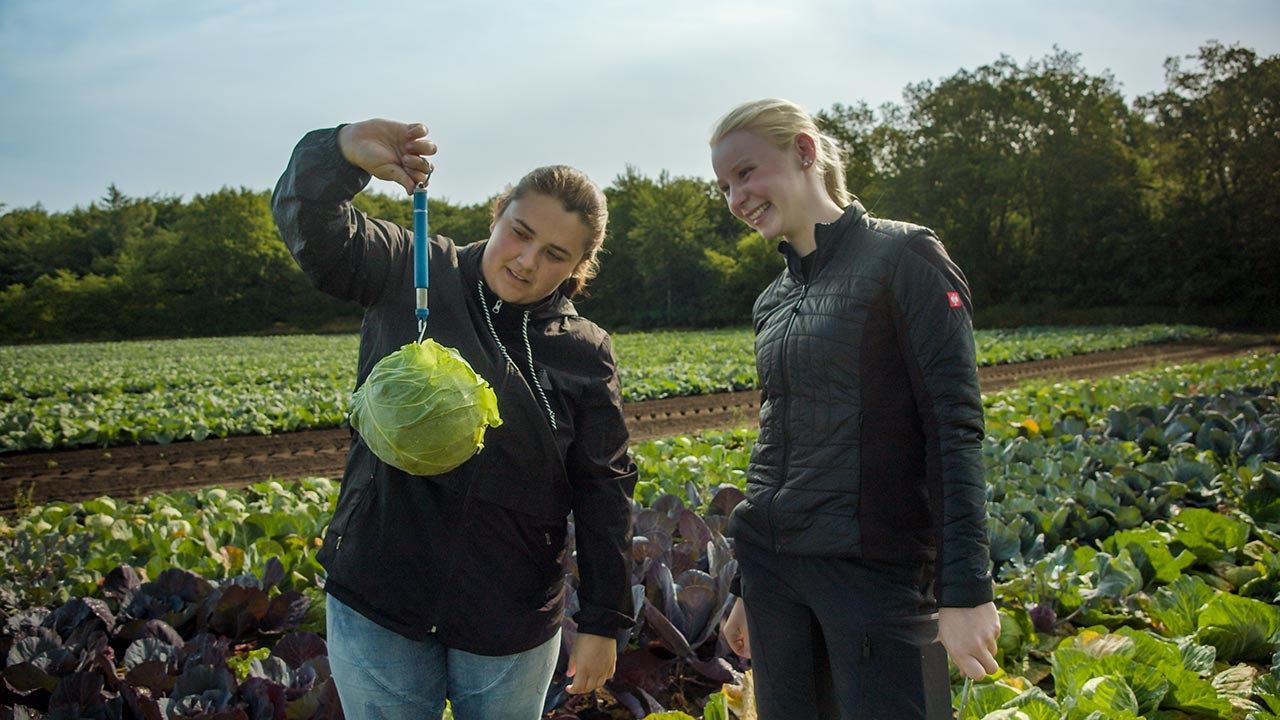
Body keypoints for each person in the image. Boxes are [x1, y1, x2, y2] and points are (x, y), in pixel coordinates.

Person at [272, 119, 638, 720]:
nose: (527, 261)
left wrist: (603, 620)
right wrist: (339, 153)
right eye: (520, 233)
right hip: (381, 599)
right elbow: (314, 231)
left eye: (555, 255)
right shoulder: (411, 267)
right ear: (498, 214)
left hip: (509, 619)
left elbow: (604, 486)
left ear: (580, 264)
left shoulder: (582, 350)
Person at [709, 99, 1001, 719]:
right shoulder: (773, 300)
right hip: (775, 577)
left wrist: (966, 591)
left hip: (872, 576)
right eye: (725, 186)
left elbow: (953, 429)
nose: (736, 198)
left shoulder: (904, 258)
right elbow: (776, 441)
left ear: (805, 151)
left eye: (746, 172)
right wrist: (745, 588)